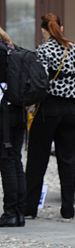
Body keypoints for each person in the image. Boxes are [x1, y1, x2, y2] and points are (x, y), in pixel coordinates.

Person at [25, 14, 75, 220]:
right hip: (71, 109)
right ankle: (68, 209)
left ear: (43, 30)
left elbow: (40, 81)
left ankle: (30, 207)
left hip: (49, 108)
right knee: (68, 160)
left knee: (37, 159)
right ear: (61, 27)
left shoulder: (43, 50)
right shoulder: (74, 48)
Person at [0, 28, 26, 227]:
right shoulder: (11, 48)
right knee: (16, 160)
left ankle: (10, 212)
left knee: (7, 161)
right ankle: (19, 212)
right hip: (18, 110)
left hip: (4, 113)